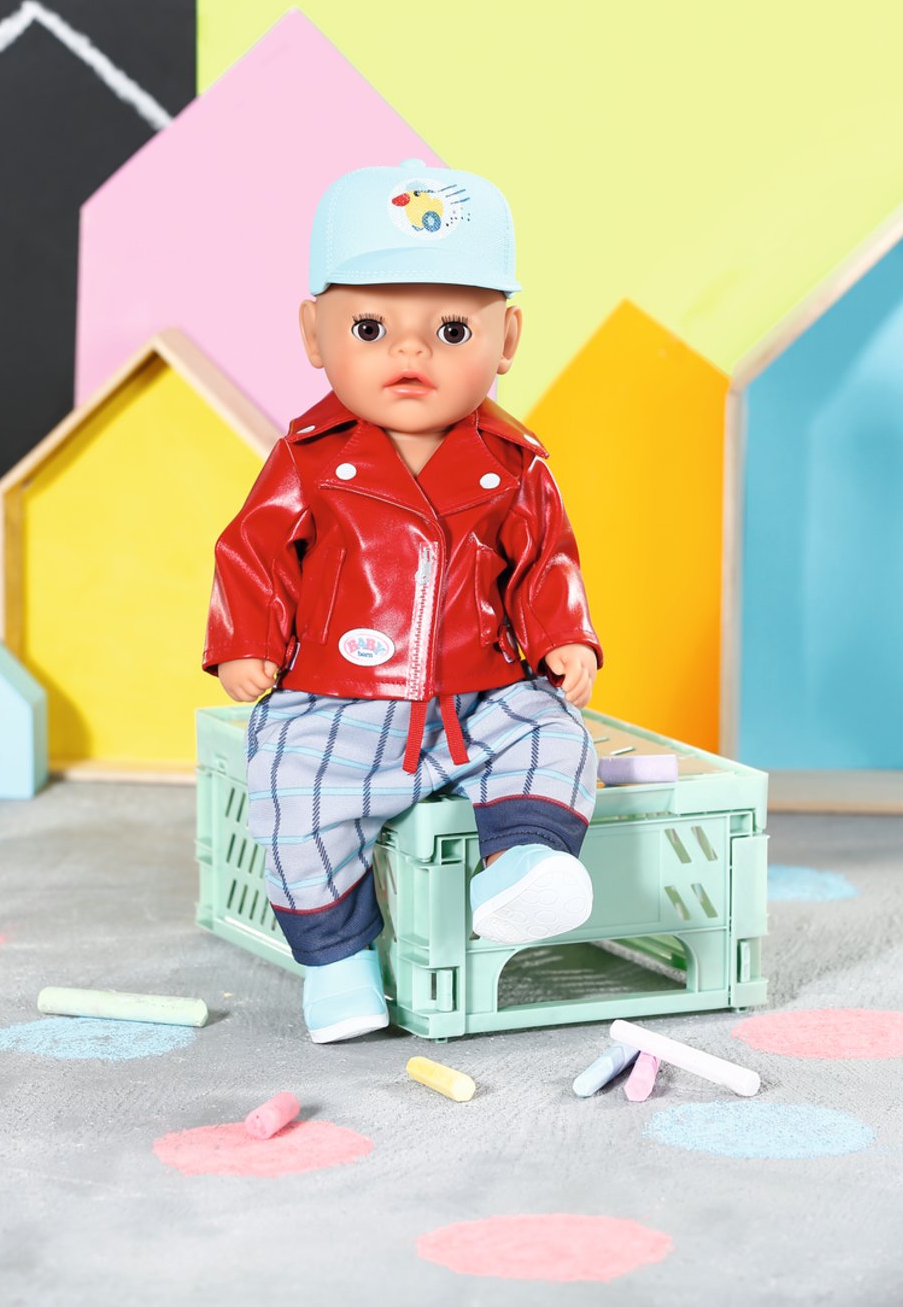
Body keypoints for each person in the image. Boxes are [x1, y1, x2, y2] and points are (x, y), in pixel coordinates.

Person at [203, 159, 603, 1044]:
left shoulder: (515, 465)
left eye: (452, 329)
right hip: (339, 695)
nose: (411, 353)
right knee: (295, 792)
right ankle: (338, 963)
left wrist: (563, 635)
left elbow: (545, 561)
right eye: (371, 327)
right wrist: (246, 640)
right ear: (314, 335)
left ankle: (524, 866)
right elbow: (253, 552)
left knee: (554, 736)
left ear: (507, 339)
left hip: (482, 693)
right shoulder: (308, 460)